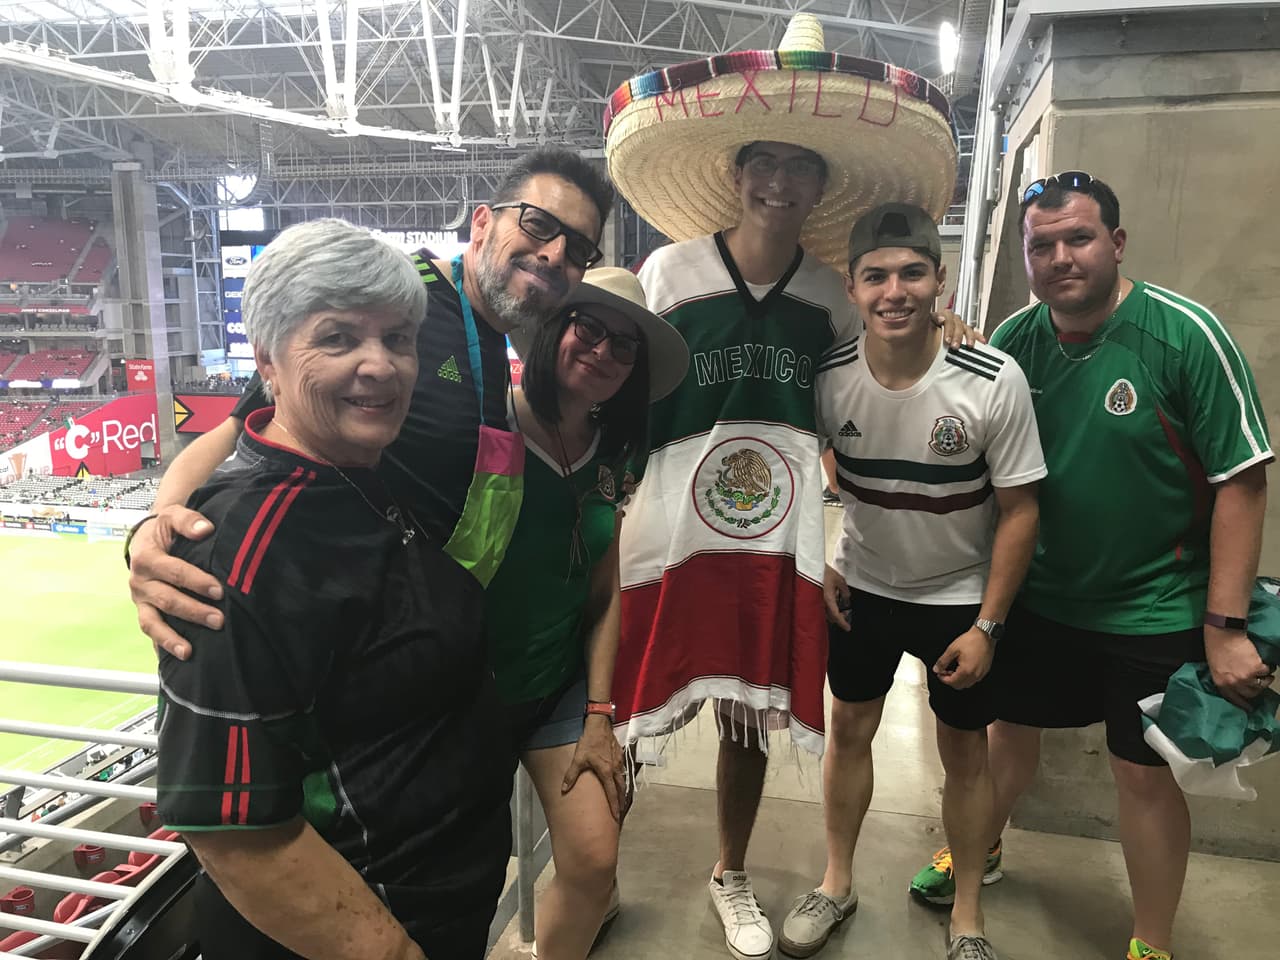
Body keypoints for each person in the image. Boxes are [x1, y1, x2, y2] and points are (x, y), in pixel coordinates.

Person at [601, 13, 974, 960]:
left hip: (771, 531)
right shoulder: (668, 272)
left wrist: (957, 332)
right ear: (737, 171)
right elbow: (614, 390)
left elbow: (875, 383)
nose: (778, 181)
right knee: (631, 707)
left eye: (799, 166)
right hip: (664, 528)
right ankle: (592, 870)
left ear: (822, 184)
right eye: (763, 161)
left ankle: (730, 873)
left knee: (746, 714)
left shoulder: (828, 299)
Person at [907, 173, 1273, 960]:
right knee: (1008, 737)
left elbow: (1241, 480)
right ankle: (984, 849)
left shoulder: (1185, 335)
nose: (1060, 257)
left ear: (1116, 243)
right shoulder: (1014, 341)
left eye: (1078, 238)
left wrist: (1225, 625)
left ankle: (1152, 942)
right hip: (1037, 599)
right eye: (1042, 245)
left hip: (1155, 605)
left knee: (1141, 777)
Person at [153, 218, 515, 960]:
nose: (380, 365)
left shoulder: (357, 475)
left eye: (398, 339)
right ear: (268, 361)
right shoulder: (237, 554)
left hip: (438, 903)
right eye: (338, 338)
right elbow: (232, 831)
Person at [778, 204, 1045, 960]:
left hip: (959, 597)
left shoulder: (993, 380)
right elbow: (804, 470)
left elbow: (1022, 509)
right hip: (864, 587)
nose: (894, 291)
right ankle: (836, 882)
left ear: (940, 281)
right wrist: (825, 558)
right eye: (875, 277)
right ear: (853, 290)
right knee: (850, 731)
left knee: (964, 754)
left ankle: (967, 916)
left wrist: (987, 625)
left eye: (911, 273)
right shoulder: (831, 378)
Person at [493, 269, 687, 960]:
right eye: (590, 329)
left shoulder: (615, 449)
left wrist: (602, 714)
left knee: (593, 860)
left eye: (625, 346)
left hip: (560, 686)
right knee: (461, 882)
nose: (604, 351)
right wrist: (173, 503)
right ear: (553, 330)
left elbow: (604, 592)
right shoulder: (487, 420)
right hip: (462, 696)